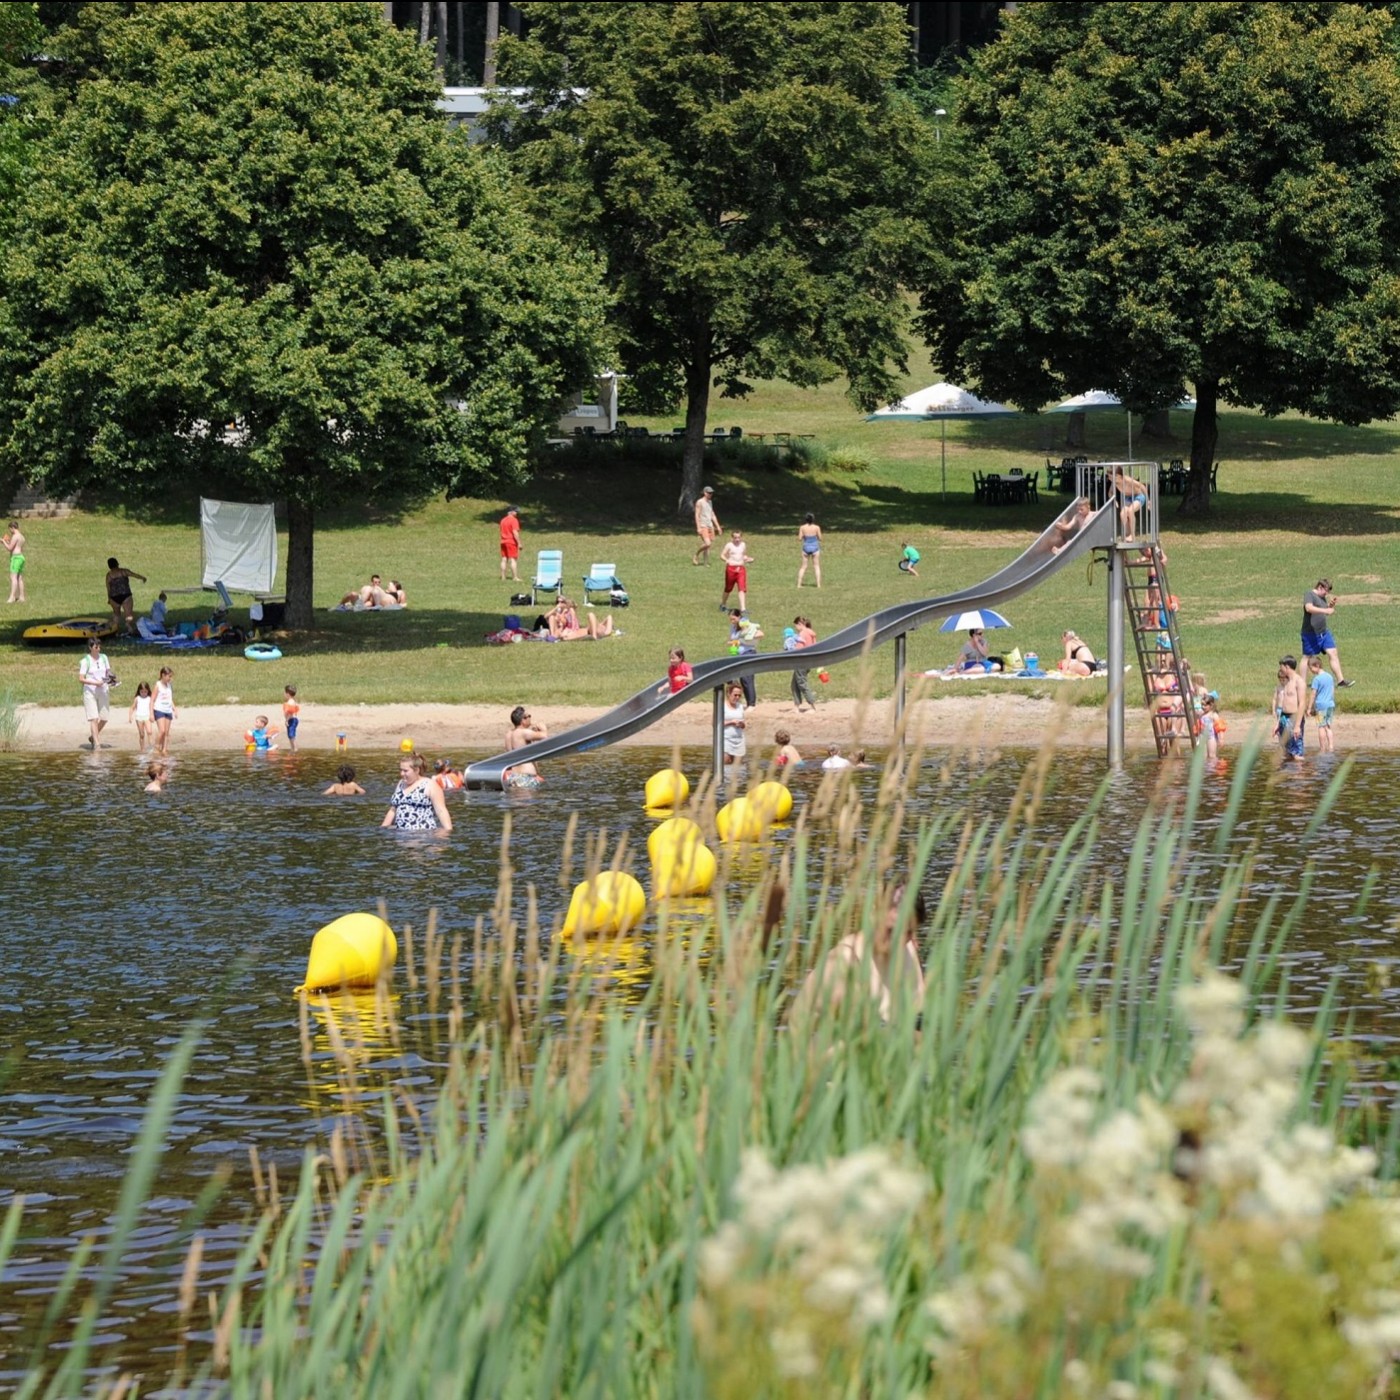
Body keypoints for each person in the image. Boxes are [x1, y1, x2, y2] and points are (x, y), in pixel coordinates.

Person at [789, 884, 927, 1027]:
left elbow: (921, 1030)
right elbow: (797, 1034)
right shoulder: (843, 965)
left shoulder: (910, 951)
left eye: (908, 932)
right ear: (873, 914)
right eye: (891, 930)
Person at [382, 752, 452, 831]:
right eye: (401, 770)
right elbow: (393, 809)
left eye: (405, 771)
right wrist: (383, 829)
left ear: (416, 770)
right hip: (401, 836)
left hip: (423, 835)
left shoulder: (430, 785)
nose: (401, 773)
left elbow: (441, 811)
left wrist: (447, 832)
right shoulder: (401, 784)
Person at [1301, 578, 1352, 687]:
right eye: (1326, 590)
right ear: (1319, 587)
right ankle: (1302, 683)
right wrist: (1326, 610)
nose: (1327, 593)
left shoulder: (1322, 597)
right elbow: (1309, 608)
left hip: (1323, 632)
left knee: (1333, 652)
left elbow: (1323, 612)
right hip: (1311, 634)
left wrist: (1330, 606)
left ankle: (1341, 681)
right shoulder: (1309, 594)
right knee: (1307, 657)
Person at [79, 636, 114, 749]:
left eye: (99, 646)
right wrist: (94, 683)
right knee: (94, 718)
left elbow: (108, 672)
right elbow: (81, 678)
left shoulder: (104, 658)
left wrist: (112, 679)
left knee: (104, 718)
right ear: (90, 647)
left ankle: (93, 736)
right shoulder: (86, 661)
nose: (98, 649)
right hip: (90, 691)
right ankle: (97, 744)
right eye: (96, 647)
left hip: (103, 690)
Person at [1273, 656, 1307, 763]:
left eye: (1282, 667)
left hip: (1294, 718)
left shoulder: (1299, 682)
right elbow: (1282, 702)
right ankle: (1288, 778)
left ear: (1287, 667)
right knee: (1286, 752)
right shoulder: (1286, 682)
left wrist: (1297, 726)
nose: (1281, 670)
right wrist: (1278, 723)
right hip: (1284, 717)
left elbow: (1302, 703)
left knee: (1297, 753)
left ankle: (1299, 777)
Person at [505, 705, 548, 785]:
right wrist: (543, 728)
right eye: (529, 716)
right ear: (523, 719)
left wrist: (533, 733)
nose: (530, 718)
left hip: (513, 777)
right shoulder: (524, 732)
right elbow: (544, 736)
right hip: (526, 777)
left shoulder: (509, 735)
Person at [106, 558, 147, 635]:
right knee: (129, 614)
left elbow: (108, 588)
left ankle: (115, 631)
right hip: (126, 595)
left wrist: (109, 598)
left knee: (116, 614)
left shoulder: (109, 575)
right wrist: (143, 578)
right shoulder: (123, 571)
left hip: (114, 597)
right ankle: (128, 626)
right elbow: (134, 575)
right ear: (117, 564)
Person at [727, 609, 759, 706]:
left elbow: (759, 634)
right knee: (741, 679)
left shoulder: (746, 625)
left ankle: (752, 704)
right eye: (730, 619)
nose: (732, 621)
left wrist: (741, 641)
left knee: (747, 678)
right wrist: (732, 643)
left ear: (739, 617)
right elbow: (732, 639)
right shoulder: (733, 627)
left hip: (748, 653)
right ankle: (747, 702)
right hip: (738, 654)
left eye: (733, 619)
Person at [1109, 466, 1149, 541]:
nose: (1109, 479)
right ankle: (1127, 534)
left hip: (1138, 496)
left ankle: (1133, 535)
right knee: (1123, 513)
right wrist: (1114, 500)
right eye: (1109, 477)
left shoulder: (1127, 480)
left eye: (1111, 477)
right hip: (1128, 498)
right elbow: (1110, 493)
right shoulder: (1114, 482)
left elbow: (1142, 486)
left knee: (1130, 511)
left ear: (1118, 476)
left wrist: (1148, 500)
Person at [719, 530, 754, 613]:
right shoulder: (729, 545)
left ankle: (743, 609)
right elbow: (722, 555)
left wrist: (747, 559)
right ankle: (723, 604)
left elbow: (743, 555)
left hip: (741, 568)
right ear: (732, 538)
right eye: (735, 538)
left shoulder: (743, 545)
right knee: (728, 588)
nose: (737, 539)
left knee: (742, 588)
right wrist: (727, 560)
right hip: (731, 568)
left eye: (739, 537)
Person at [1307, 655, 1336, 753]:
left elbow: (1313, 694)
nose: (1311, 671)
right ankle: (1331, 746)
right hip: (1330, 704)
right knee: (1328, 726)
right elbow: (1332, 690)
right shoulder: (1329, 676)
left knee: (1321, 727)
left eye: (1311, 668)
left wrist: (1309, 707)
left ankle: (1322, 748)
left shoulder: (1317, 679)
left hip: (1321, 705)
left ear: (1317, 665)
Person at [790, 614, 817, 712]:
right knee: (794, 684)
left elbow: (799, 648)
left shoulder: (803, 634)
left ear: (800, 624)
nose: (796, 628)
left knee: (801, 682)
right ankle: (796, 706)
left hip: (801, 661)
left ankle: (812, 705)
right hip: (809, 661)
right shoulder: (811, 633)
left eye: (796, 626)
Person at [151, 666, 176, 756]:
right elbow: (152, 700)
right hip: (159, 709)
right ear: (163, 675)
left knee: (166, 732)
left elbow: (170, 699)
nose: (170, 678)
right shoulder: (158, 685)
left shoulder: (169, 686)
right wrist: (151, 714)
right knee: (162, 730)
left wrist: (174, 709)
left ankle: (164, 749)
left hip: (168, 710)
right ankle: (156, 747)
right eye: (169, 676)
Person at [693, 486, 720, 566]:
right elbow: (697, 515)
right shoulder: (699, 502)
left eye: (711, 493)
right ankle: (696, 555)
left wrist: (717, 526)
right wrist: (698, 527)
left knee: (707, 546)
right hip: (703, 525)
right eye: (709, 493)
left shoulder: (710, 502)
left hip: (710, 525)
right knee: (707, 543)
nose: (710, 494)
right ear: (704, 493)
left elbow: (712, 514)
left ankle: (705, 562)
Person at [722, 683, 747, 766]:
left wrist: (741, 724)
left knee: (739, 768)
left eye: (739, 696)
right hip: (726, 740)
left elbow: (744, 725)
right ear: (729, 694)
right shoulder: (722, 706)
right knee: (726, 764)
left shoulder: (740, 706)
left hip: (739, 741)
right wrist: (731, 722)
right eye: (735, 695)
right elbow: (715, 723)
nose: (737, 697)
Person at [797, 513, 823, 589]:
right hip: (815, 548)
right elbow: (820, 538)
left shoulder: (802, 527)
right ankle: (818, 585)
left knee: (803, 566)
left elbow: (799, 538)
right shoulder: (817, 527)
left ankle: (799, 584)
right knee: (816, 566)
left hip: (806, 548)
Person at [4, 520, 26, 603]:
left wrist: (3, 542)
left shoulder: (15, 536)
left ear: (12, 528)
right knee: (19, 578)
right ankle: (22, 597)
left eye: (10, 529)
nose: (10, 531)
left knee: (13, 577)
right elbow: (17, 547)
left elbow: (10, 548)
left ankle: (12, 597)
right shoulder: (22, 537)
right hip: (21, 557)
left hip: (16, 558)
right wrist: (8, 542)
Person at [128, 680, 154, 751]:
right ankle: (142, 749)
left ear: (148, 691)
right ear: (139, 691)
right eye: (142, 692)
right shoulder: (137, 698)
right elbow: (132, 708)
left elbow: (152, 708)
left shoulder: (149, 698)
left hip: (147, 716)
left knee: (149, 732)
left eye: (145, 691)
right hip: (139, 717)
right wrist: (130, 717)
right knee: (142, 734)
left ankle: (151, 747)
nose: (143, 693)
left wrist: (153, 715)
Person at [499, 506, 522, 583]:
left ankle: (503, 577)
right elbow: (515, 532)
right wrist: (519, 543)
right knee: (513, 559)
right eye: (516, 512)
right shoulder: (514, 520)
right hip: (511, 542)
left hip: (503, 541)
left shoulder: (503, 520)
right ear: (511, 512)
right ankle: (515, 577)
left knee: (504, 559)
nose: (517, 513)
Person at [282, 685, 300, 753]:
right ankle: (292, 748)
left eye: (284, 693)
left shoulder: (290, 702)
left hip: (291, 720)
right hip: (293, 720)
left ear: (287, 694)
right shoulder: (293, 701)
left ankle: (294, 748)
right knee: (290, 735)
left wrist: (287, 720)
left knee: (291, 735)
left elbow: (290, 712)